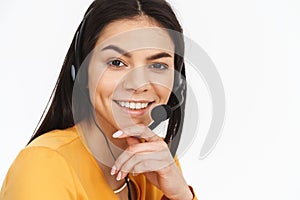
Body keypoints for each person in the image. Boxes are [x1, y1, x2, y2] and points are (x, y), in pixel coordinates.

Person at [0, 0, 197, 199]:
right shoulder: (43, 165)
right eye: (117, 63)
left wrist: (181, 195)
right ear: (82, 73)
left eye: (158, 66)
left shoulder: (157, 159)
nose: (139, 84)